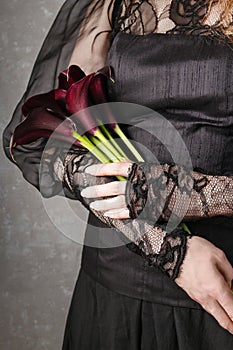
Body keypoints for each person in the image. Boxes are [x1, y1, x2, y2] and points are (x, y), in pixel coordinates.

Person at [3, 0, 233, 349]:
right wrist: (172, 252)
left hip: (223, 284)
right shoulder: (109, 3)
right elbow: (49, 141)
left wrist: (191, 194)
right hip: (115, 290)